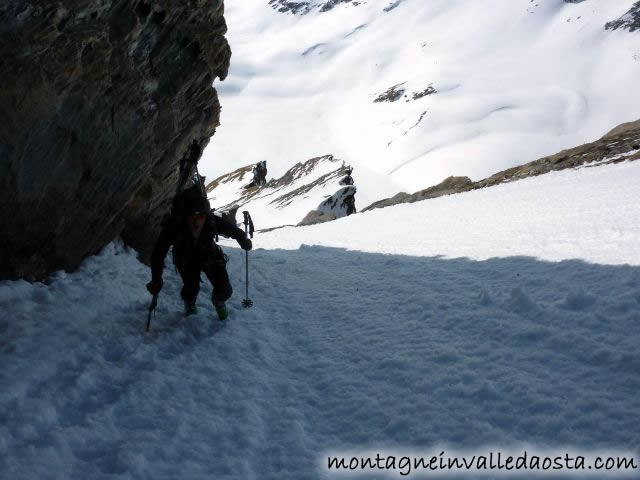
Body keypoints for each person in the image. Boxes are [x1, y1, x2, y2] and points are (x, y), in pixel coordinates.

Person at [146, 186, 252, 320]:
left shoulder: (211, 221)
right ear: (185, 216)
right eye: (192, 216)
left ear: (205, 215)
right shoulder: (175, 227)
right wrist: (156, 278)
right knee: (191, 287)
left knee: (225, 290)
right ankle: (190, 302)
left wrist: (243, 239)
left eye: (200, 216)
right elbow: (158, 253)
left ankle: (218, 301)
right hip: (186, 258)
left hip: (210, 255)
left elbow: (230, 229)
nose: (196, 220)